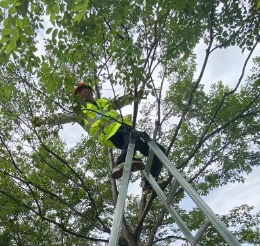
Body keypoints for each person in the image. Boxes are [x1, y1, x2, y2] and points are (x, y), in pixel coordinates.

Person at [33, 82, 167, 195]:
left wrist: (135, 95)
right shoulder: (80, 111)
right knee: (135, 136)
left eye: (81, 91)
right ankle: (122, 162)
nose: (79, 95)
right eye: (77, 94)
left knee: (159, 151)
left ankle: (148, 184)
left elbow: (120, 101)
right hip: (111, 135)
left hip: (125, 129)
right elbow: (63, 118)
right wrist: (44, 121)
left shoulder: (104, 102)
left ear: (89, 90)